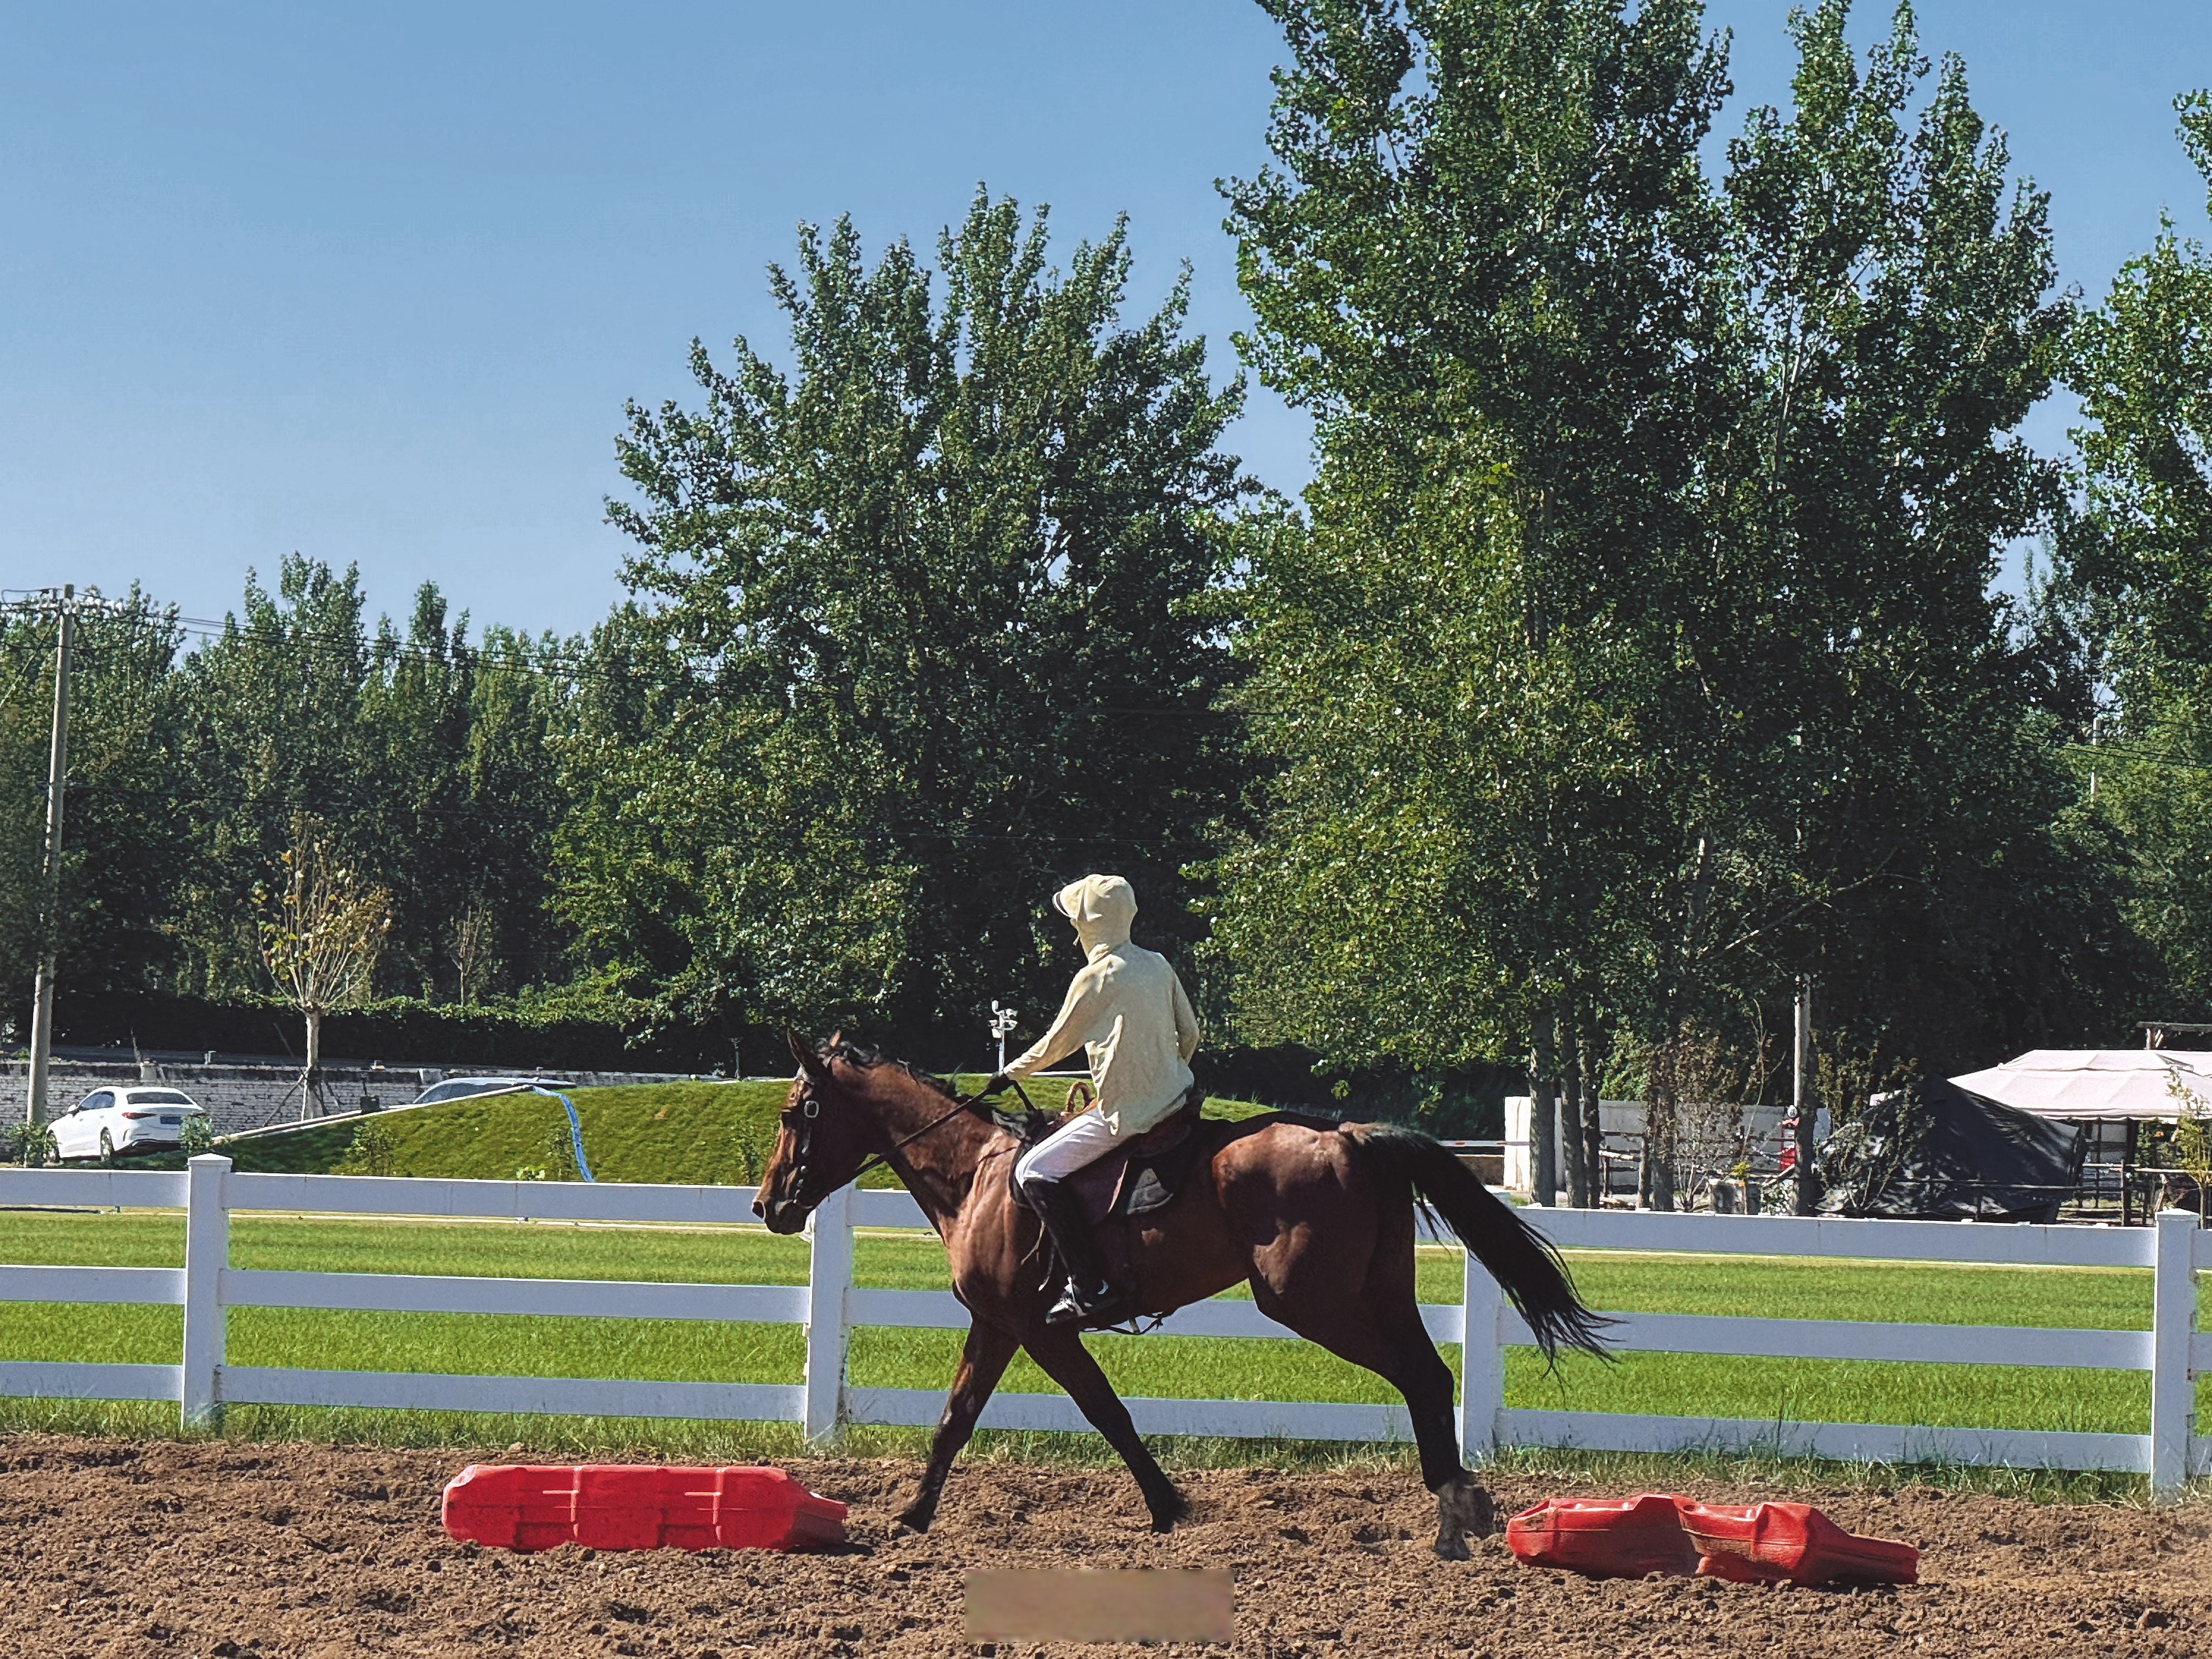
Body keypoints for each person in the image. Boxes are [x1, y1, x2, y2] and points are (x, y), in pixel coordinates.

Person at [986, 873, 1201, 1325]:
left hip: (1128, 1114)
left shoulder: (1094, 977)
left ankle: (1088, 1286)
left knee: (1032, 1170)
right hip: (1179, 1100)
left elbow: (1055, 1045)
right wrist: (1166, 1075)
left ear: (1087, 923)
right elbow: (1192, 1034)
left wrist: (1007, 1075)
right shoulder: (1158, 963)